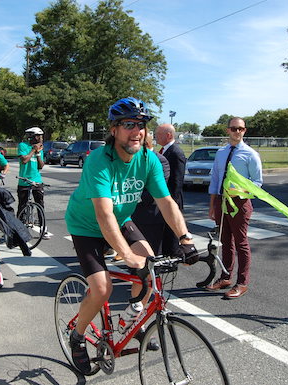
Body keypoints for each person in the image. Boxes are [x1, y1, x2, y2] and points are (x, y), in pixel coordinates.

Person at [64, 97, 199, 374]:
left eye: (141, 125)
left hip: (122, 219)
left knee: (150, 272)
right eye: (128, 124)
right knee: (102, 288)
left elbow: (166, 202)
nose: (136, 130)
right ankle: (77, 336)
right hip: (85, 226)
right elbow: (103, 215)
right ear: (114, 129)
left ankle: (129, 321)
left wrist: (185, 239)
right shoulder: (99, 161)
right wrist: (126, 254)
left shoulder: (148, 159)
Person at [206, 117, 262, 299]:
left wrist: (241, 190)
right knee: (225, 241)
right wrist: (212, 205)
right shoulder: (221, 153)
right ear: (227, 130)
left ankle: (242, 282)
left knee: (241, 242)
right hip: (222, 201)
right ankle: (225, 276)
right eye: (234, 128)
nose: (237, 132)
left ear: (245, 131)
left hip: (239, 203)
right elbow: (215, 179)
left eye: (241, 129)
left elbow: (257, 182)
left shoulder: (250, 154)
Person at [131, 131, 170, 255]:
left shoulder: (159, 160)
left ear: (145, 143)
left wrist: (133, 197)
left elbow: (156, 190)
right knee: (136, 256)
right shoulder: (133, 158)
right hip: (133, 214)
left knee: (152, 256)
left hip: (150, 216)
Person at [155, 123, 187, 257]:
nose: (156, 137)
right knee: (164, 231)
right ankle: (166, 254)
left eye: (158, 134)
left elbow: (176, 181)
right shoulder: (164, 151)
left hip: (172, 199)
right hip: (164, 199)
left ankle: (172, 257)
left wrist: (170, 204)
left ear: (168, 135)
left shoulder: (175, 153)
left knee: (171, 231)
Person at [17, 127, 52, 239]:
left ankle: (43, 228)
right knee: (22, 205)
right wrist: (32, 150)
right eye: (38, 136)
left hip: (37, 180)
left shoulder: (39, 149)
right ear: (31, 136)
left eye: (41, 136)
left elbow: (41, 166)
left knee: (40, 205)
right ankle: (19, 229)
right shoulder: (23, 146)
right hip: (24, 180)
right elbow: (24, 160)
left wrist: (38, 154)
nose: (40, 139)